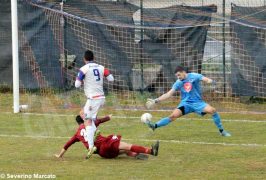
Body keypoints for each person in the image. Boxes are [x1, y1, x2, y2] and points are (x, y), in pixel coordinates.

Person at [145, 65, 231, 137]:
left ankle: (222, 131)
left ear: (183, 72)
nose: (178, 77)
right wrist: (155, 100)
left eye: (179, 75)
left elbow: (204, 78)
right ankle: (154, 126)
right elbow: (168, 94)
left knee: (213, 110)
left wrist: (210, 81)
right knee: (172, 116)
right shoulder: (178, 82)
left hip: (198, 103)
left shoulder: (194, 76)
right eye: (177, 76)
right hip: (185, 104)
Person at [55, 115, 159, 160]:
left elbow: (67, 145)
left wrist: (60, 155)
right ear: (84, 120)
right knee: (127, 146)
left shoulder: (76, 134)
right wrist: (109, 116)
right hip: (105, 144)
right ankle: (150, 151)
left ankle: (136, 154)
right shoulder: (90, 124)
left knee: (123, 150)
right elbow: (101, 120)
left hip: (103, 154)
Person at [75, 50, 114, 158]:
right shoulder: (101, 67)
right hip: (101, 97)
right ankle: (94, 133)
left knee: (87, 120)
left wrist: (83, 79)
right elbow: (111, 79)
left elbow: (77, 85)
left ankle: (91, 146)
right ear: (93, 57)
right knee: (86, 116)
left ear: (84, 59)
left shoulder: (83, 69)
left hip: (93, 99)